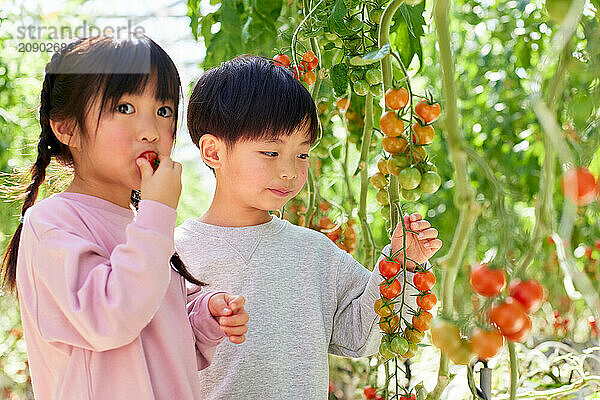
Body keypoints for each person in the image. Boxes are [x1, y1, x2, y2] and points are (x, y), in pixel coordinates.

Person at [175, 55, 442, 399]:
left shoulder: (315, 253)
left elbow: (362, 335)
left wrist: (405, 262)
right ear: (213, 152)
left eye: (301, 155)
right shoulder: (174, 253)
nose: (289, 171)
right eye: (270, 152)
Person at [0, 36, 249, 400]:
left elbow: (159, 338)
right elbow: (111, 320)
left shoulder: (145, 226)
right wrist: (157, 215)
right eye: (124, 108)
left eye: (163, 111)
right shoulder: (52, 223)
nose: (150, 131)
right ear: (66, 127)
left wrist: (204, 316)